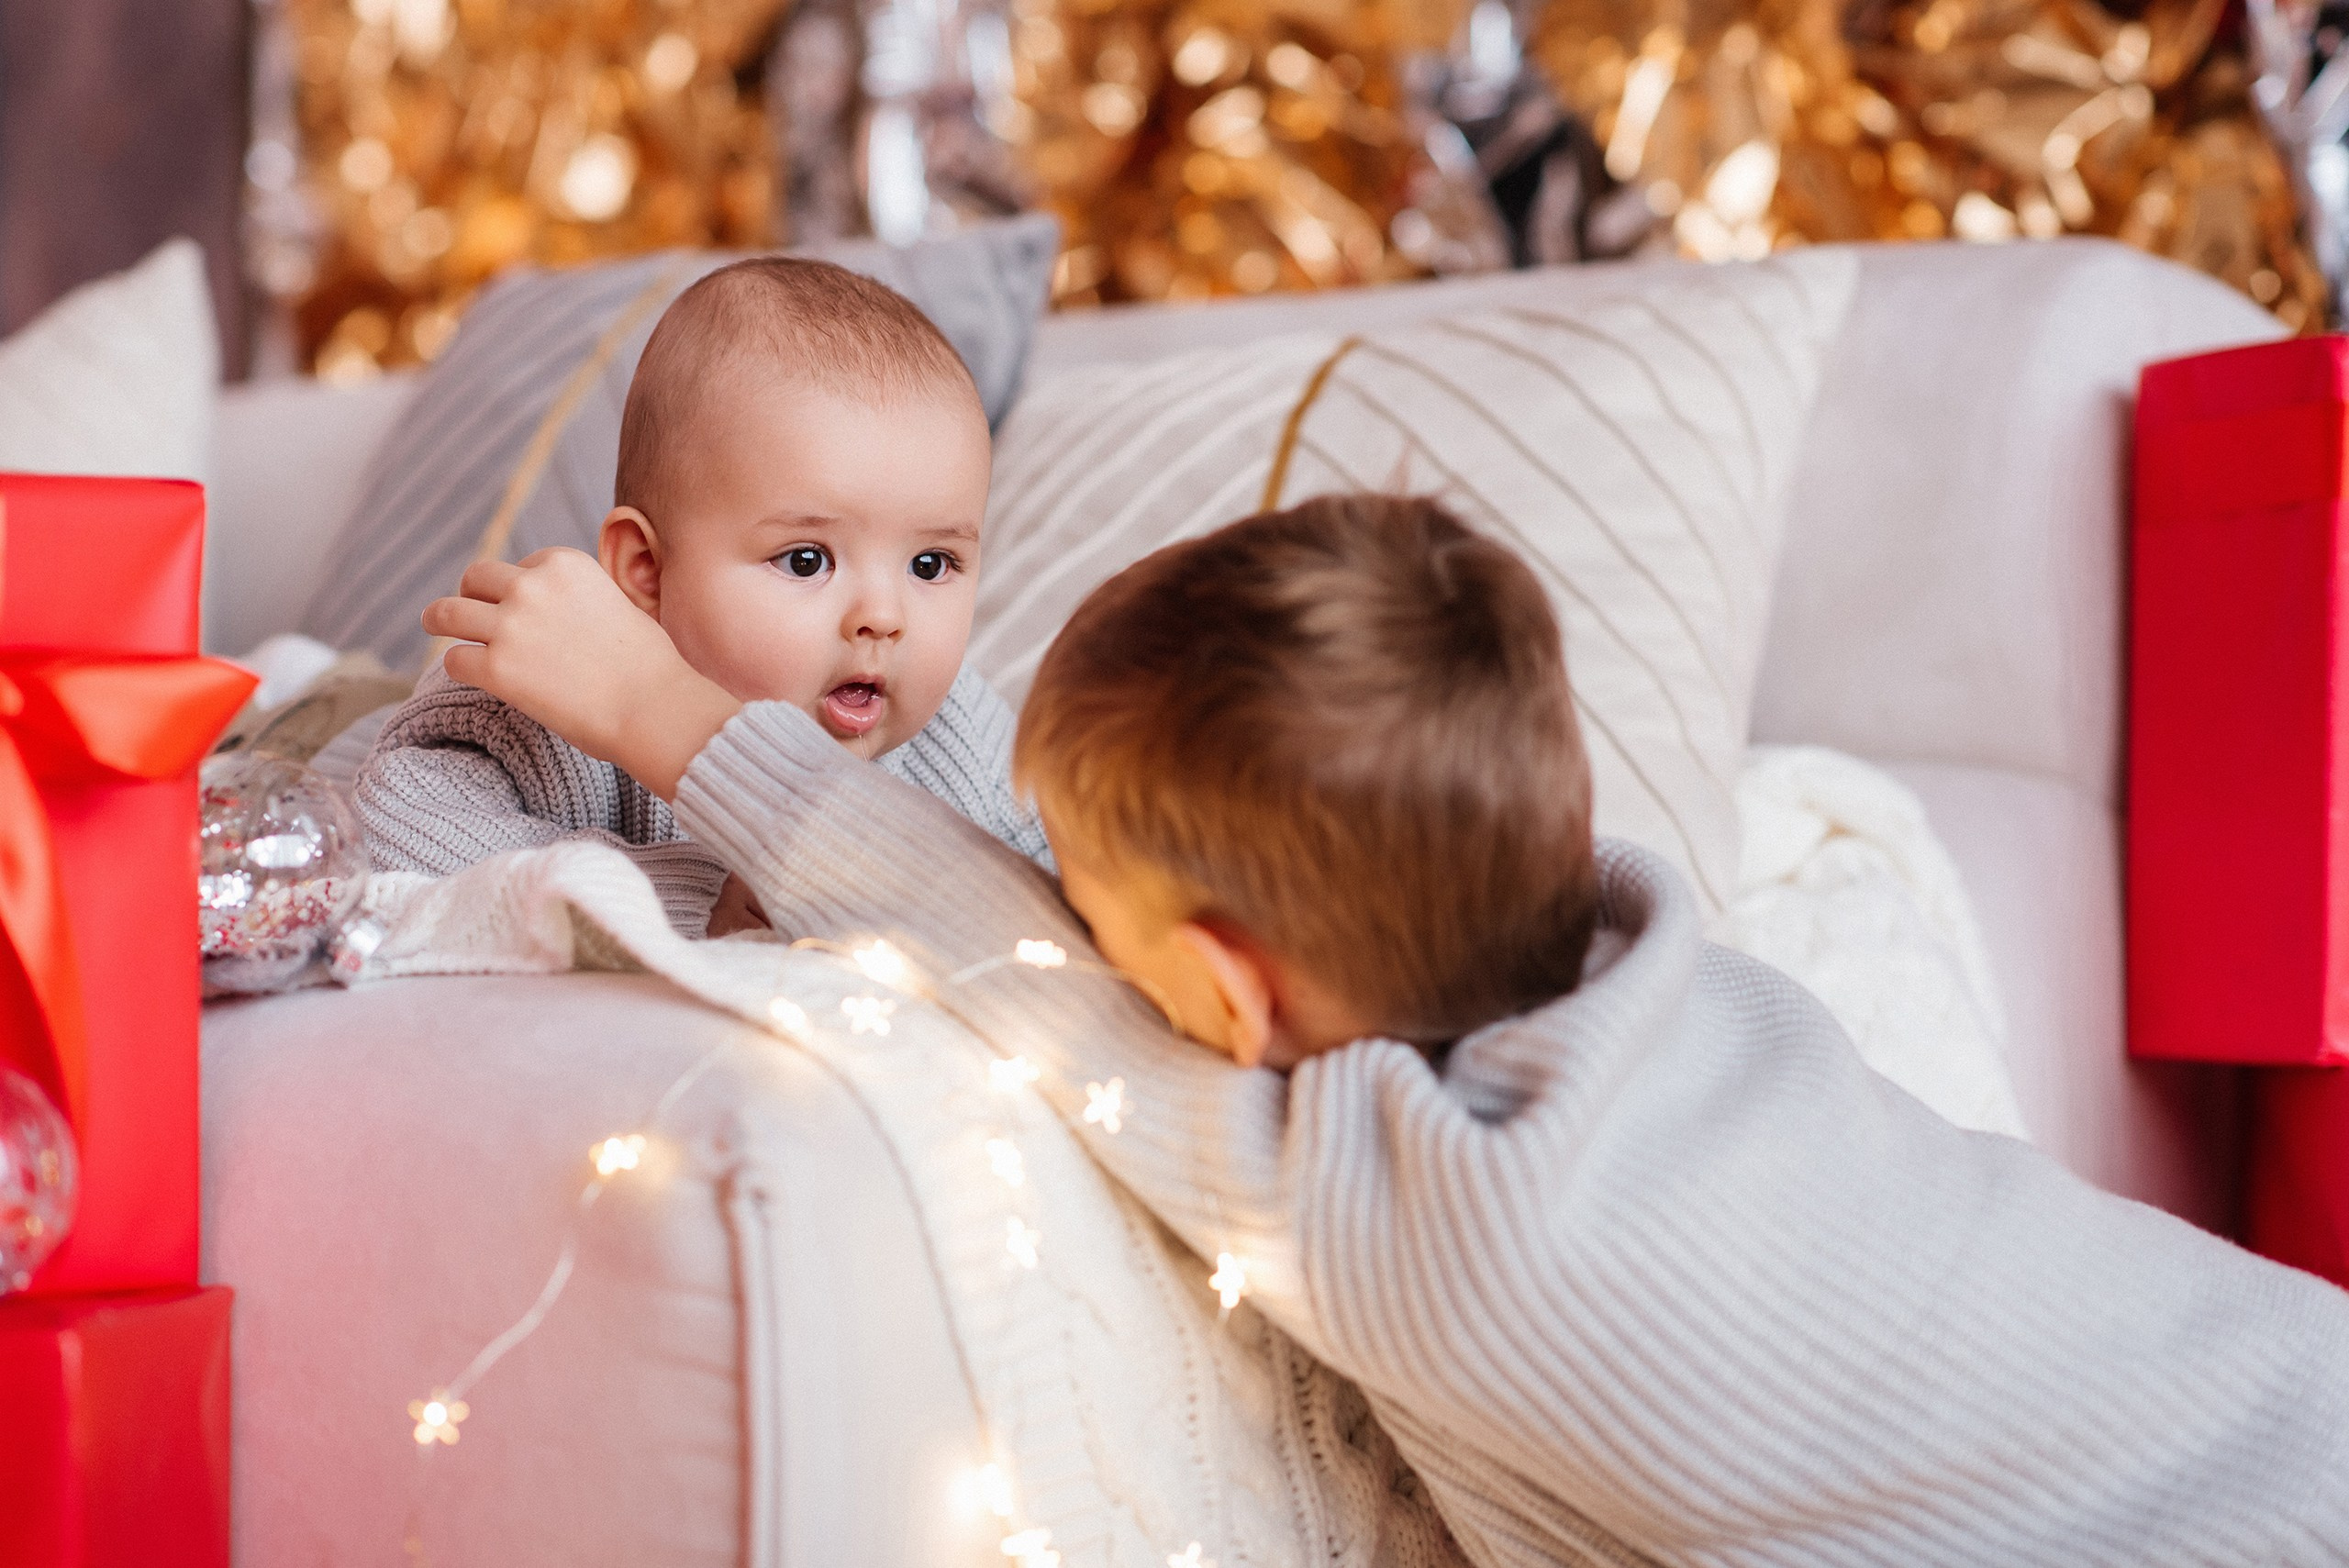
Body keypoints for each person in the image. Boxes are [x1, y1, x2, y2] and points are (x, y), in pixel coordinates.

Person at [422, 491, 2349, 1564]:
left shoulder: (1443, 1219)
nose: (1061, 901)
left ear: (1230, 995)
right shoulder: (1661, 964)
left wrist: (662, 708)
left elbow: (1010, 966)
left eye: (1089, 881)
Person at [354, 256, 1049, 940]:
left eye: (930, 564)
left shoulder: (955, 729)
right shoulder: (555, 693)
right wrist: (680, 897)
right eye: (807, 560)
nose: (884, 617)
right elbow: (394, 826)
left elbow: (1057, 890)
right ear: (647, 571)